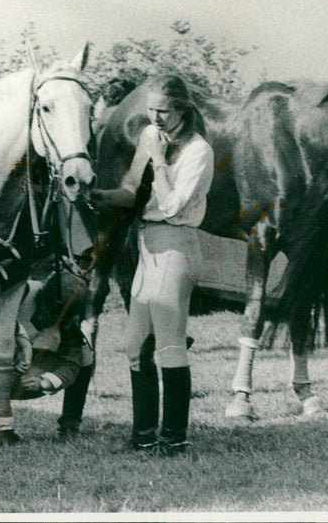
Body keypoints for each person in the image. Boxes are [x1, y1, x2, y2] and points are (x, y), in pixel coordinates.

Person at [89, 74, 214, 455]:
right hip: (147, 243)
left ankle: (174, 437)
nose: (155, 118)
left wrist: (159, 161)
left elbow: (173, 204)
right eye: (150, 111)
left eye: (163, 110)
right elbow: (131, 192)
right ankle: (142, 436)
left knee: (169, 345)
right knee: (133, 345)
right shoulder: (149, 136)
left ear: (182, 108)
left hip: (176, 242)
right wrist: (98, 196)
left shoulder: (198, 151)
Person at [0, 267, 93, 444]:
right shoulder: (23, 293)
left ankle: (70, 422)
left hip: (37, 372)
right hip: (0, 366)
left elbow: (72, 362)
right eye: (51, 310)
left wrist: (45, 381)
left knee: (86, 355)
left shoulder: (70, 317)